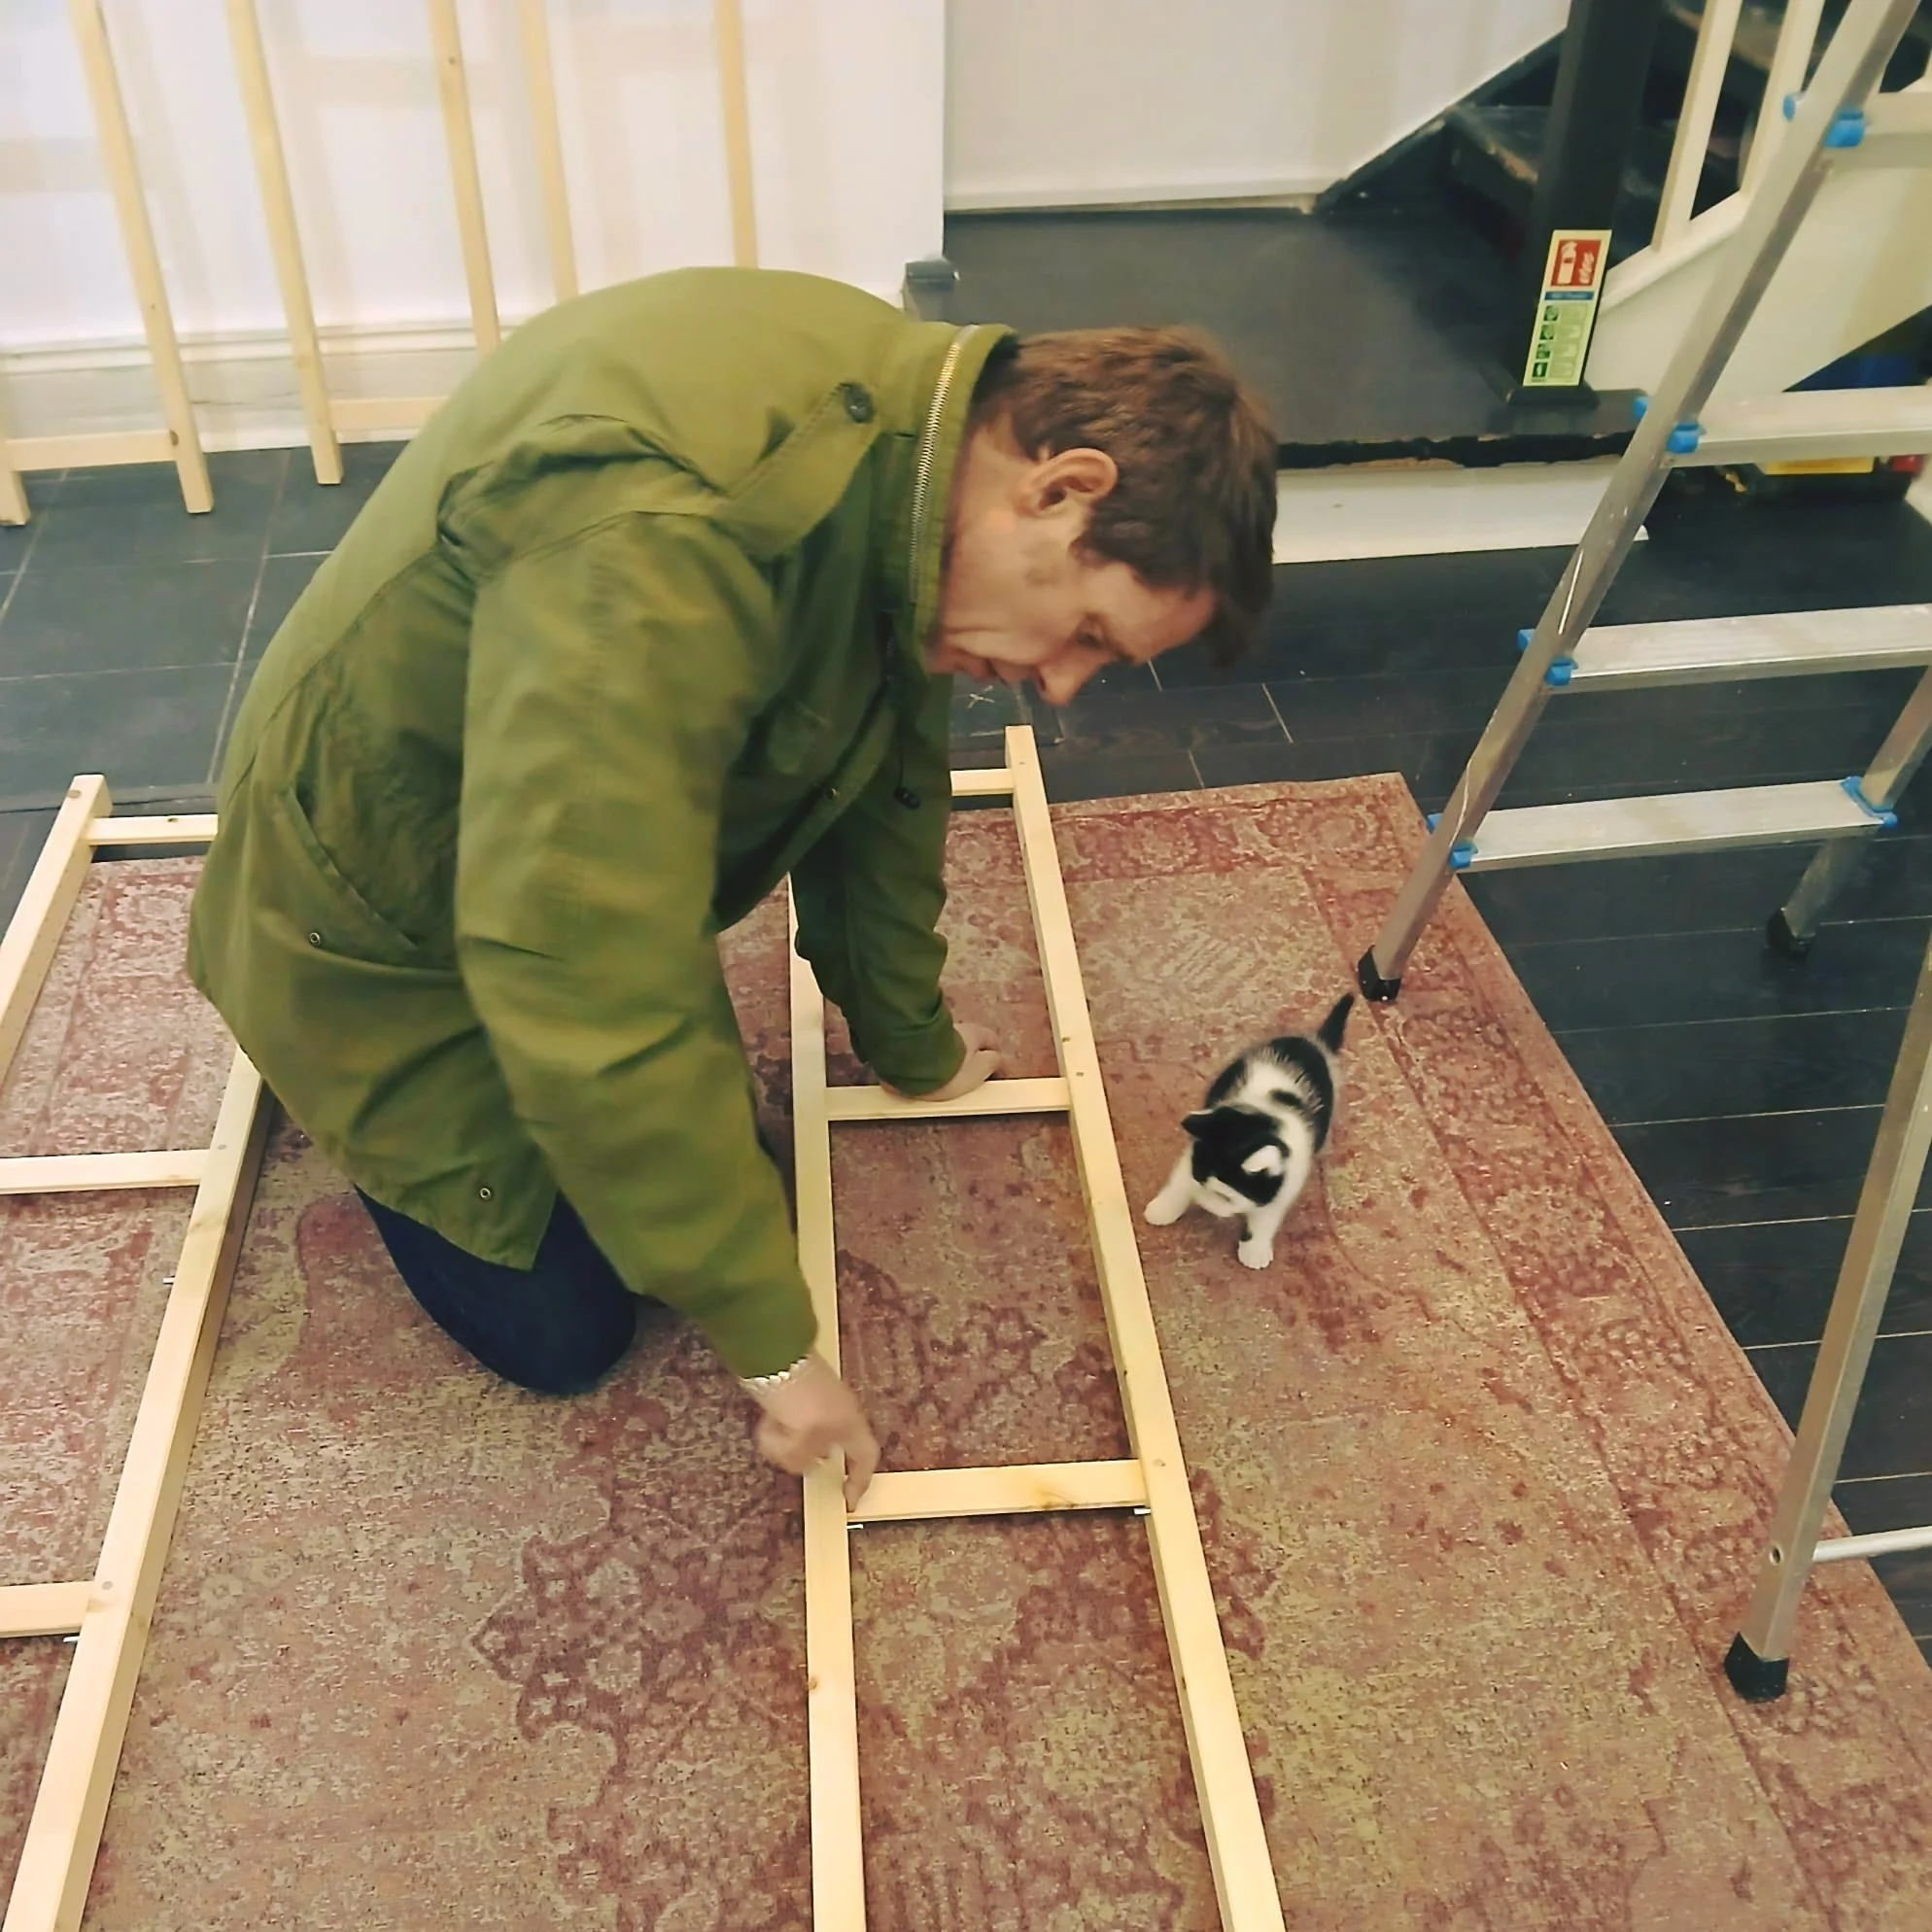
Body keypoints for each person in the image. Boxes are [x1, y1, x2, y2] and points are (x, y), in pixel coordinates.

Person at [187, 267, 1277, 1507]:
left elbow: (882, 786)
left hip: (525, 841)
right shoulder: (679, 524)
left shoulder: (917, 456)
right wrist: (775, 1353)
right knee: (572, 1331)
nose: (1066, 685)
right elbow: (583, 959)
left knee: (713, 1189)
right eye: (1086, 633)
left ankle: (590, 1134)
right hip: (362, 910)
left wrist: (908, 1037)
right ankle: (319, 1065)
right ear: (1061, 487)